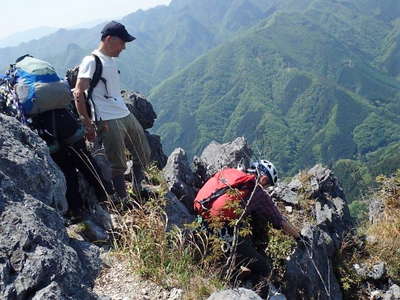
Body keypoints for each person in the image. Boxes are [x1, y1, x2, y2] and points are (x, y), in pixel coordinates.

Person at [11, 54, 110, 222]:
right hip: (66, 120)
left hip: (43, 125)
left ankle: (77, 210)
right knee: (85, 158)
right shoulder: (46, 70)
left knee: (65, 168)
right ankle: (106, 194)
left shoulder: (17, 75)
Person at [74, 21, 151, 201]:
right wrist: (87, 123)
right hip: (107, 118)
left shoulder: (111, 60)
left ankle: (138, 187)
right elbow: (78, 92)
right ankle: (122, 199)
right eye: (122, 42)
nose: (123, 47)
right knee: (117, 162)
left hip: (123, 113)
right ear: (109, 39)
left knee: (143, 151)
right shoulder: (91, 61)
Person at [194, 160, 300, 280]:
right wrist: (300, 238)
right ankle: (235, 278)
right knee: (265, 269)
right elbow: (280, 221)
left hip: (200, 217)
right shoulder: (257, 192)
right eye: (267, 185)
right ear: (264, 179)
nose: (266, 188)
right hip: (222, 231)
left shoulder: (230, 172)